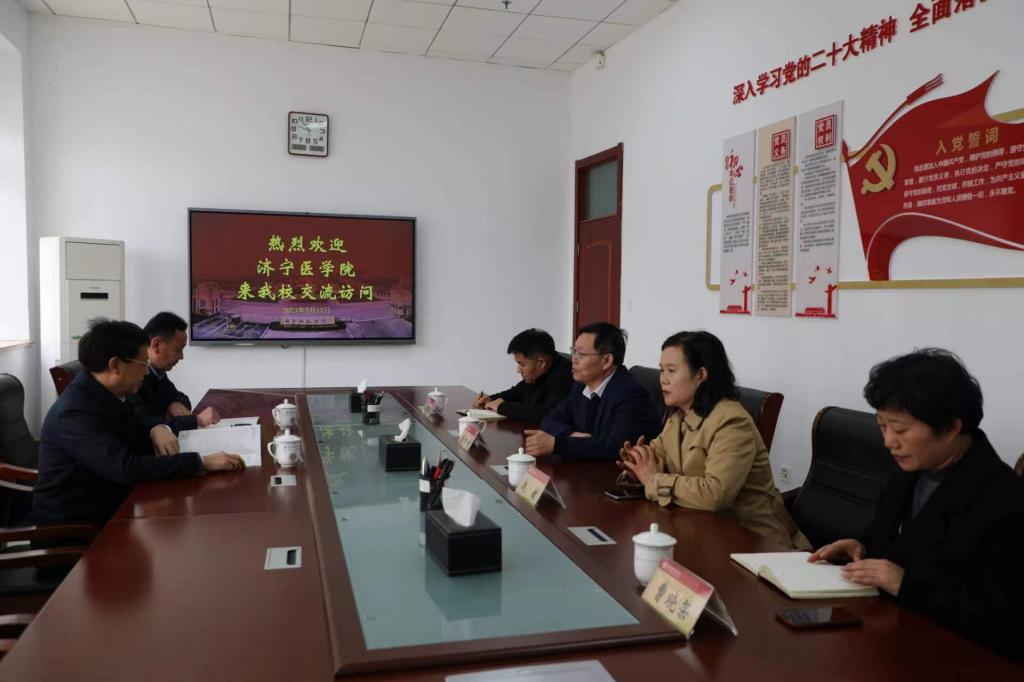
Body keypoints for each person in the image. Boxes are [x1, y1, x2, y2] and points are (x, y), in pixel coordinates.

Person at [809, 349, 1023, 663]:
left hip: (951, 659)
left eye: (900, 429)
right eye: (882, 426)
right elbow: (897, 541)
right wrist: (861, 547)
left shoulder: (1004, 500)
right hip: (888, 639)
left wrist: (905, 584)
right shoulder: (911, 470)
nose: (888, 441)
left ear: (950, 427)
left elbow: (1004, 621)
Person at [32, 319, 245, 527]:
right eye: (143, 363)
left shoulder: (105, 393)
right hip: (78, 529)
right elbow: (127, 468)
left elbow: (138, 429)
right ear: (115, 365)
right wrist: (201, 462)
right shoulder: (74, 413)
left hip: (116, 508)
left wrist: (157, 428)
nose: (146, 371)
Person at [619, 331, 808, 549]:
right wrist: (636, 469)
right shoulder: (679, 415)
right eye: (662, 370)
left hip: (755, 542)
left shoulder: (731, 421)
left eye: (671, 370)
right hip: (701, 531)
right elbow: (655, 455)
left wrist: (653, 480)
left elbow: (716, 494)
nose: (663, 379)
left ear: (701, 374)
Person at [526, 322, 660, 460]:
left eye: (581, 354)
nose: (574, 359)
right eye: (574, 351)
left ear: (606, 361)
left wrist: (558, 444)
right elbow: (549, 420)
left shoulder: (630, 394)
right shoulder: (580, 386)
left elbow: (617, 447)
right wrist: (571, 435)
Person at [128, 311, 219, 433]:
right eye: (178, 349)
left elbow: (179, 396)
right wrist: (197, 421)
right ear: (156, 345)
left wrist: (175, 403)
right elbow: (144, 424)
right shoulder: (133, 377)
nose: (181, 357)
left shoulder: (157, 373)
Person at [471, 328, 572, 423]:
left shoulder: (566, 374)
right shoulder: (539, 372)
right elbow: (516, 392)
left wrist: (502, 407)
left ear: (541, 363)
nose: (518, 370)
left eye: (522, 364)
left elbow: (547, 413)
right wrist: (490, 399)